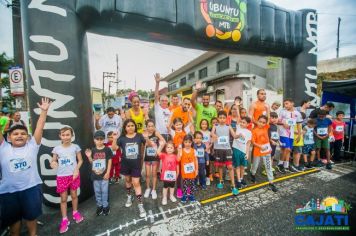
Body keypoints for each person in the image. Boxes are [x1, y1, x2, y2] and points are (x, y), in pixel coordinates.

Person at [0, 98, 50, 236]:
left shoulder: (32, 146)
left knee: (31, 218)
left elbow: (40, 126)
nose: (19, 135)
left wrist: (44, 111)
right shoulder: (3, 148)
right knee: (14, 224)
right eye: (15, 134)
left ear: (27, 137)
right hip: (8, 192)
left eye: (23, 133)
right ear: (9, 137)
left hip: (31, 189)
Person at [112, 119, 152, 217]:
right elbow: (114, 148)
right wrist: (114, 138)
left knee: (136, 183)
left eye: (132, 125)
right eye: (128, 126)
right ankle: (129, 196)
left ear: (135, 126)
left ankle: (140, 204)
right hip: (125, 164)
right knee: (128, 180)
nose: (130, 127)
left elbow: (150, 145)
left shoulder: (139, 136)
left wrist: (146, 138)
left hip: (136, 165)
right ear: (125, 128)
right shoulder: (121, 138)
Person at [50, 126, 84, 233]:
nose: (65, 137)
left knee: (74, 195)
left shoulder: (75, 147)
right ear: (60, 136)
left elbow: (80, 160)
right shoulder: (57, 149)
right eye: (63, 135)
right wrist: (53, 163)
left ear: (72, 135)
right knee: (63, 199)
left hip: (73, 175)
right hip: (62, 177)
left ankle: (75, 212)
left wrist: (76, 170)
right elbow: (53, 161)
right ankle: (64, 219)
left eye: (68, 134)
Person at [84, 130, 112, 216]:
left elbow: (110, 161)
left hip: (104, 175)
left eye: (101, 139)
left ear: (104, 140)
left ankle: (105, 206)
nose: (99, 141)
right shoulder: (93, 150)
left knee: (104, 191)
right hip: (95, 175)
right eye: (97, 139)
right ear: (94, 140)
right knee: (97, 191)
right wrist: (89, 157)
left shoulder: (107, 149)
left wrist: (108, 173)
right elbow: (92, 163)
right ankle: (99, 205)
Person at [211, 111, 239, 195]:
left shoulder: (228, 126)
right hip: (218, 149)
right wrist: (213, 135)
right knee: (220, 166)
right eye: (220, 118)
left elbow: (234, 136)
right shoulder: (215, 126)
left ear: (226, 118)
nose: (222, 119)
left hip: (227, 149)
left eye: (224, 118)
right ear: (218, 118)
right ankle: (221, 180)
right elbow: (212, 133)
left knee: (230, 166)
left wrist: (240, 135)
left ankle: (233, 185)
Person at [250, 115, 278, 192]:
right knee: (255, 165)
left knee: (268, 166)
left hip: (266, 150)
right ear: (257, 121)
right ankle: (252, 174)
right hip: (258, 150)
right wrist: (259, 146)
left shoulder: (266, 127)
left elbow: (267, 137)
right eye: (260, 122)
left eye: (263, 122)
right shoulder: (254, 130)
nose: (261, 124)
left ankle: (271, 183)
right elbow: (253, 142)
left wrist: (271, 141)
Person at [277, 98, 303, 173]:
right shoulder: (282, 112)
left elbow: (299, 124)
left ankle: (286, 166)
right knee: (287, 149)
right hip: (283, 133)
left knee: (288, 150)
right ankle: (280, 164)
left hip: (291, 135)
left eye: (287, 103)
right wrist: (283, 123)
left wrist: (299, 135)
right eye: (284, 104)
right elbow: (277, 122)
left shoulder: (297, 113)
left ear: (292, 103)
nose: (285, 105)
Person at [143, 120, 166, 200]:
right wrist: (146, 138)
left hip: (155, 157)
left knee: (154, 174)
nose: (151, 128)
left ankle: (153, 190)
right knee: (147, 174)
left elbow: (163, 141)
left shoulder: (156, 133)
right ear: (146, 126)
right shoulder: (144, 134)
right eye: (149, 126)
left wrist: (159, 150)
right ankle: (148, 188)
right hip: (147, 157)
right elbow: (147, 145)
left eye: (152, 126)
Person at [232, 117, 252, 189]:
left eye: (244, 123)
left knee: (243, 166)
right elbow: (238, 116)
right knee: (237, 166)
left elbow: (248, 143)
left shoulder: (249, 132)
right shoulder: (238, 127)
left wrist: (247, 153)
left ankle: (241, 178)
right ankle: (238, 180)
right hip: (236, 149)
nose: (242, 124)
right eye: (241, 122)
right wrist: (237, 106)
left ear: (248, 124)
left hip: (243, 151)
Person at [177, 135, 198, 203]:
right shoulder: (182, 151)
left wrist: (197, 169)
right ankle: (185, 195)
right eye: (186, 142)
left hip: (192, 172)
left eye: (189, 142)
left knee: (191, 184)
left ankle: (191, 195)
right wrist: (179, 151)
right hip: (185, 172)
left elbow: (196, 160)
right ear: (183, 142)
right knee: (185, 184)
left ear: (192, 142)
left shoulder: (194, 151)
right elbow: (178, 159)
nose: (187, 144)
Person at [157, 141, 179, 205]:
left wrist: (177, 173)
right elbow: (158, 152)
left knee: (172, 186)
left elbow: (177, 164)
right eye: (168, 147)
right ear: (165, 148)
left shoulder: (175, 156)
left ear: (174, 149)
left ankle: (171, 195)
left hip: (173, 174)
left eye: (171, 148)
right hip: (165, 175)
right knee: (165, 186)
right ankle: (164, 197)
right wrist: (160, 146)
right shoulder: (164, 155)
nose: (169, 149)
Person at [170, 117, 186, 198]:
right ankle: (179, 189)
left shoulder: (185, 132)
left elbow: (191, 122)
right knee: (179, 173)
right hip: (177, 155)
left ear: (182, 124)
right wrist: (172, 114)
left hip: (185, 155)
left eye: (180, 124)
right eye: (177, 125)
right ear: (174, 125)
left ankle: (187, 188)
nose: (179, 126)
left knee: (186, 172)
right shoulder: (173, 133)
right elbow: (168, 126)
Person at [154, 73, 172, 141]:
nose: (164, 102)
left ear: (168, 102)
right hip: (159, 135)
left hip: (169, 134)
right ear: (159, 101)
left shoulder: (169, 110)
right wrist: (157, 83)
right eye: (162, 100)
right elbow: (156, 96)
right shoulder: (157, 108)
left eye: (165, 101)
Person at [199, 119, 212, 185]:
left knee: (207, 165)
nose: (204, 125)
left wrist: (208, 148)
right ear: (200, 125)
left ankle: (207, 178)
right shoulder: (198, 132)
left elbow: (211, 142)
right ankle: (199, 178)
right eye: (202, 124)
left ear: (207, 125)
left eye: (205, 124)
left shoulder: (209, 133)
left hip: (207, 151)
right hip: (199, 152)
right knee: (199, 165)